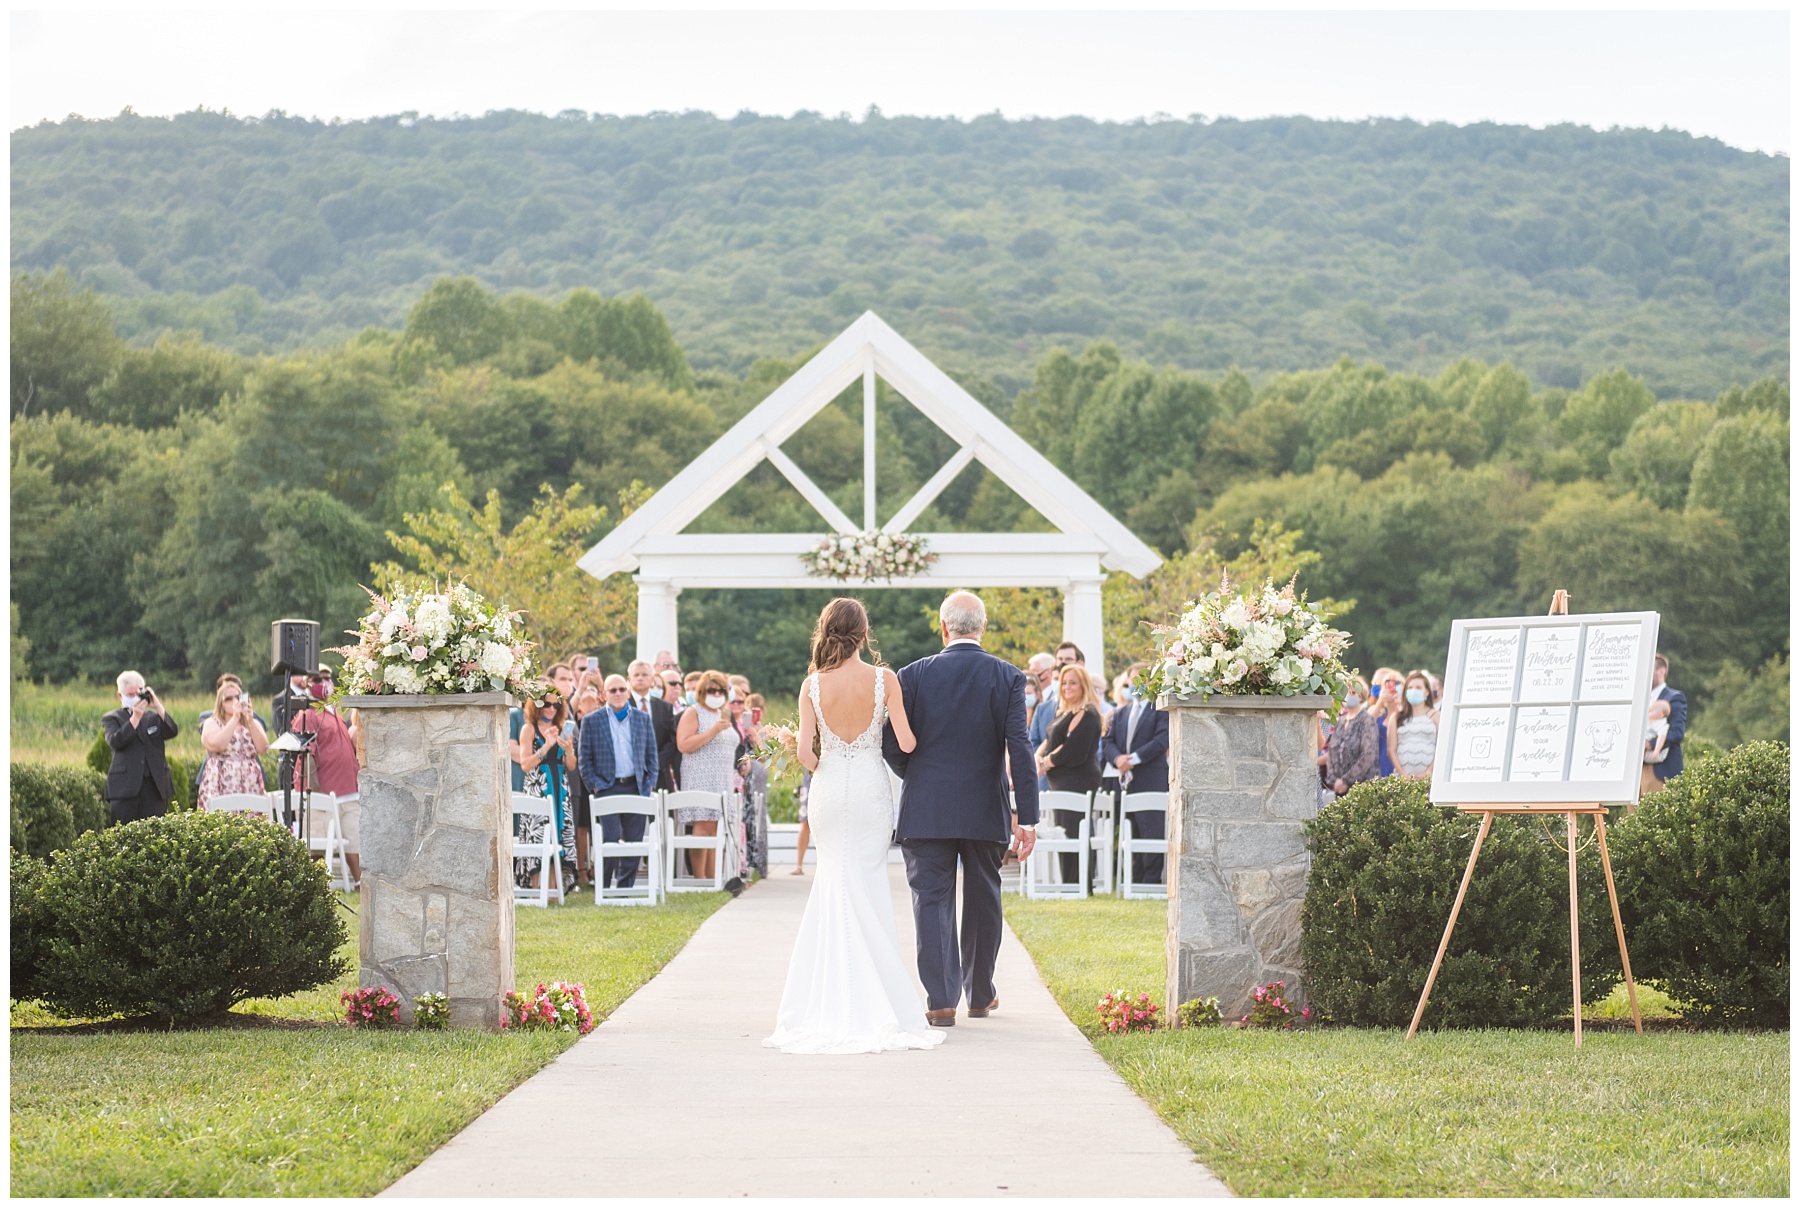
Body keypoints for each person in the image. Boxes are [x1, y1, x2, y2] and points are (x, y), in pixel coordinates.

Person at [765, 596, 942, 1054]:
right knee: (867, 884)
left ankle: (826, 1000)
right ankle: (879, 996)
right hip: (868, 788)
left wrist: (792, 740)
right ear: (865, 634)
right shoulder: (886, 679)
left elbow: (807, 757)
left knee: (833, 883)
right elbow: (905, 740)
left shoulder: (812, 686)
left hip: (828, 792)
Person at [883, 591, 1040, 1026]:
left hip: (925, 808)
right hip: (983, 807)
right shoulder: (1007, 676)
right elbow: (1020, 748)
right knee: (983, 898)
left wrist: (917, 775)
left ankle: (940, 1000)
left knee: (931, 901)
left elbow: (891, 743)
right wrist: (1026, 815)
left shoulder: (910, 675)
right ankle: (980, 993)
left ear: (943, 627)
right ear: (983, 627)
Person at [578, 674, 661, 891]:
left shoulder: (642, 719)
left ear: (628, 692)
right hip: (607, 787)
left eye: (622, 689)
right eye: (612, 690)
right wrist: (595, 785)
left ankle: (625, 889)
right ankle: (604, 887)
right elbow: (584, 759)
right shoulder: (591, 721)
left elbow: (652, 756)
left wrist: (649, 782)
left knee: (634, 841)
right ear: (604, 694)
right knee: (610, 838)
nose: (618, 694)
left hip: (636, 786)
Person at [291, 665, 363, 885]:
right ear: (307, 683)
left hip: (349, 790)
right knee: (317, 847)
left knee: (354, 841)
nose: (324, 682)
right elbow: (306, 757)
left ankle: (361, 884)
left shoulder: (335, 714)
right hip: (323, 792)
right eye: (318, 679)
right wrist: (315, 793)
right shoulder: (308, 716)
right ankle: (309, 887)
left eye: (327, 677)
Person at [1102, 662, 1170, 884]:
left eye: (1142, 678)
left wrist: (1134, 759)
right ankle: (1133, 879)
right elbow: (1108, 741)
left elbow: (1161, 739)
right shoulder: (1121, 713)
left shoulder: (1159, 710)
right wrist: (1118, 759)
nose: (1136, 683)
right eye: (1133, 679)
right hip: (1125, 782)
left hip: (1150, 778)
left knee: (1151, 830)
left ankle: (1150, 881)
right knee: (1130, 829)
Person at [1036, 663, 1103, 884]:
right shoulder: (1064, 712)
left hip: (1078, 780)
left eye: (1073, 682)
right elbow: (1049, 739)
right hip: (1061, 782)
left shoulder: (1087, 713)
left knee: (1075, 831)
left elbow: (1071, 748)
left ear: (1083, 685)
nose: (1067, 687)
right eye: (1064, 683)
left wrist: (1046, 762)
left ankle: (1080, 882)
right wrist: (1038, 756)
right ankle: (1069, 882)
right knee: (1064, 830)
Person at [673, 669, 740, 883]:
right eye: (712, 690)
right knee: (702, 827)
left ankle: (713, 879)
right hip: (700, 776)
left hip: (722, 778)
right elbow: (683, 744)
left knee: (715, 828)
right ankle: (699, 879)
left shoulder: (723, 713)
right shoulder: (693, 712)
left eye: (721, 690)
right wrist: (712, 732)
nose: (717, 694)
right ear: (702, 691)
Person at [512, 683, 577, 893]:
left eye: (556, 705)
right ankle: (536, 892)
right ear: (536, 705)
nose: (551, 709)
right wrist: (546, 746)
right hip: (538, 789)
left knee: (558, 837)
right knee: (538, 838)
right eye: (546, 704)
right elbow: (525, 764)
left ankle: (555, 892)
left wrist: (568, 751)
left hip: (560, 789)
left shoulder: (562, 728)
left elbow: (572, 766)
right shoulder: (528, 729)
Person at [102, 670, 179, 824]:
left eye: (138, 694)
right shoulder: (112, 718)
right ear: (120, 695)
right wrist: (135, 718)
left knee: (155, 834)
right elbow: (116, 741)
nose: (135, 699)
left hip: (154, 786)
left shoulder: (152, 717)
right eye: (130, 695)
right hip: (125, 788)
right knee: (124, 835)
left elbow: (171, 730)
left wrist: (157, 705)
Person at [196, 678, 268, 812]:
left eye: (238, 697)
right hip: (221, 782)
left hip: (249, 782)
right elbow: (217, 745)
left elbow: (263, 749)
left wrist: (251, 721)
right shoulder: (212, 723)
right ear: (221, 703)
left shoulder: (252, 723)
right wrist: (235, 718)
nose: (235, 701)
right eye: (229, 698)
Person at [626, 659, 681, 792]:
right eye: (636, 675)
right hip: (629, 775)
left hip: (660, 775)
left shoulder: (665, 707)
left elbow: (671, 740)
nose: (640, 678)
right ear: (629, 679)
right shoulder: (622, 706)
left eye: (644, 675)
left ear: (652, 680)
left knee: (662, 812)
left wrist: (655, 764)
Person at [569, 680, 604, 884]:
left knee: (600, 825)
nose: (589, 698)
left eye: (593, 695)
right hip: (582, 778)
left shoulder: (602, 720)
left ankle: (598, 868)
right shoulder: (574, 723)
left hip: (602, 778)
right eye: (585, 696)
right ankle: (581, 869)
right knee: (582, 827)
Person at [1324, 675, 1381, 797]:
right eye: (1347, 692)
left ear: (1361, 696)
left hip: (1362, 789)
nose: (1349, 695)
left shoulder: (1366, 720)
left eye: (1353, 692)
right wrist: (1334, 780)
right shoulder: (1340, 721)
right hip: (1339, 789)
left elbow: (1369, 755)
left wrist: (1347, 780)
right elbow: (1331, 752)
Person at [1387, 669, 1438, 781]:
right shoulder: (1396, 718)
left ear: (1427, 692)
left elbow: (1442, 748)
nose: (1413, 691)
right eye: (1410, 688)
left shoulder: (1436, 716)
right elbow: (1391, 749)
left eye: (1418, 688)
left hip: (1429, 779)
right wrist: (1403, 774)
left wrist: (1429, 772)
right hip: (1402, 780)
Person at [1649, 654, 1688, 790]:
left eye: (1649, 669)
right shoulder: (1637, 698)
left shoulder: (1675, 697)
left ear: (1662, 671)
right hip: (1636, 774)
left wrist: (1649, 744)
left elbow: (1676, 732)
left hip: (1662, 771)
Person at [1369, 667, 1403, 778]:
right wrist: (1380, 702)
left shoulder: (1404, 713)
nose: (1390, 690)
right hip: (1377, 767)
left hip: (1399, 765)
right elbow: (1364, 724)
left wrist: (1399, 703)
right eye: (1386, 686)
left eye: (1395, 686)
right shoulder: (1377, 712)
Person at [1641, 699, 1673, 800]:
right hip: (1650, 752)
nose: (1648, 713)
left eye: (1651, 711)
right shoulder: (1650, 722)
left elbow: (1661, 739)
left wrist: (1656, 751)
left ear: (1660, 715)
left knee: (1639, 756)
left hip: (1659, 754)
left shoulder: (1662, 725)